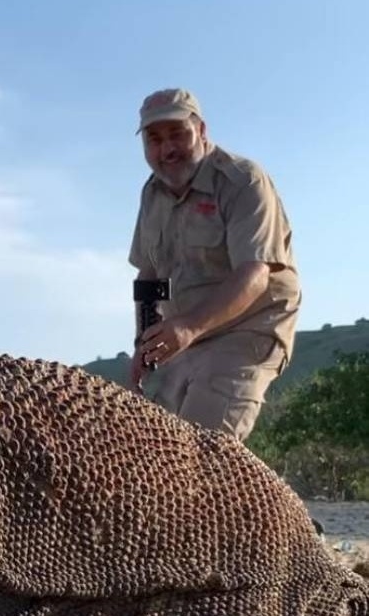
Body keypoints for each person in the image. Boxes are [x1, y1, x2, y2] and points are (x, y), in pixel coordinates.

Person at [128, 88, 300, 442]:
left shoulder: (242, 180)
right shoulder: (152, 194)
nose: (167, 149)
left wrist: (189, 327)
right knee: (154, 441)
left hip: (249, 326)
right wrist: (143, 346)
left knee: (202, 448)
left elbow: (255, 275)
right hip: (187, 335)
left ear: (201, 130)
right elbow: (148, 276)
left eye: (178, 134)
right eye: (155, 139)